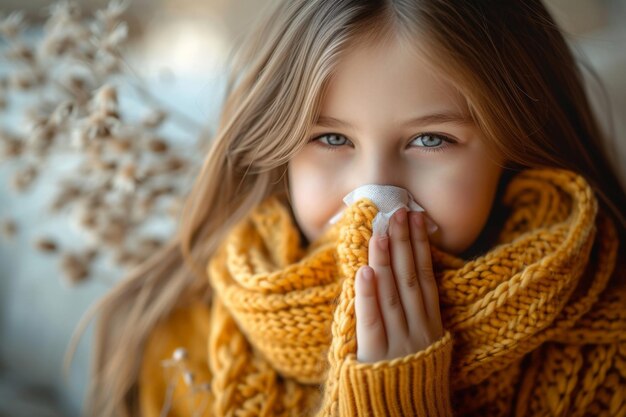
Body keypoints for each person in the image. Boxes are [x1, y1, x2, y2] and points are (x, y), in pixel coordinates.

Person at [65, 1, 626, 416]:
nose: (374, 197)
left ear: (517, 147)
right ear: (276, 147)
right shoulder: (184, 333)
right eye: (331, 140)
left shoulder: (611, 340)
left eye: (430, 139)